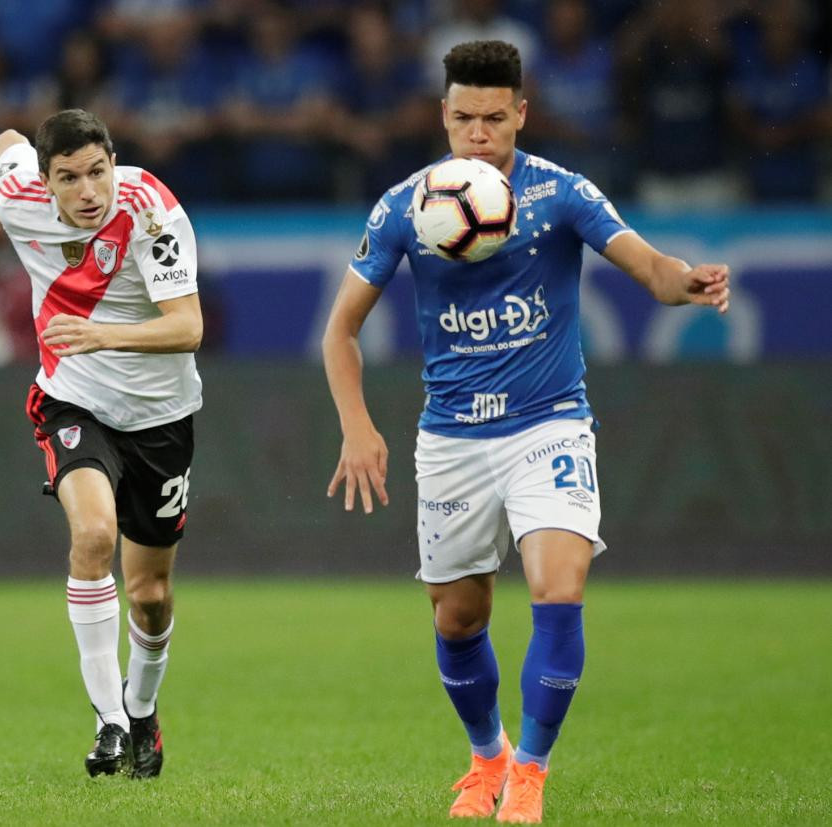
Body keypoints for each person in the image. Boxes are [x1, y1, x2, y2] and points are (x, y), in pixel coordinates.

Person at [322, 41, 729, 824]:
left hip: (549, 425)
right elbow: (341, 329)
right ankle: (487, 757)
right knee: (459, 617)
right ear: (443, 115)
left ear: (521, 114)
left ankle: (531, 775)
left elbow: (648, 266)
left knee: (558, 590)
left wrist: (690, 280)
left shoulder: (562, 194)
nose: (478, 134)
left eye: (494, 119)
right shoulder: (406, 206)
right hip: (451, 439)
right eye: (464, 118)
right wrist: (357, 425)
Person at [0, 109, 202, 778]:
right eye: (69, 178)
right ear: (46, 182)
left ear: (113, 162)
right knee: (93, 534)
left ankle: (142, 709)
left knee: (149, 591)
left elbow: (188, 326)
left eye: (98, 171)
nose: (89, 190)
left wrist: (103, 334)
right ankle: (109, 721)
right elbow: (3, 142)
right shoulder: (20, 193)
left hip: (161, 414)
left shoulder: (151, 211)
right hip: (73, 398)